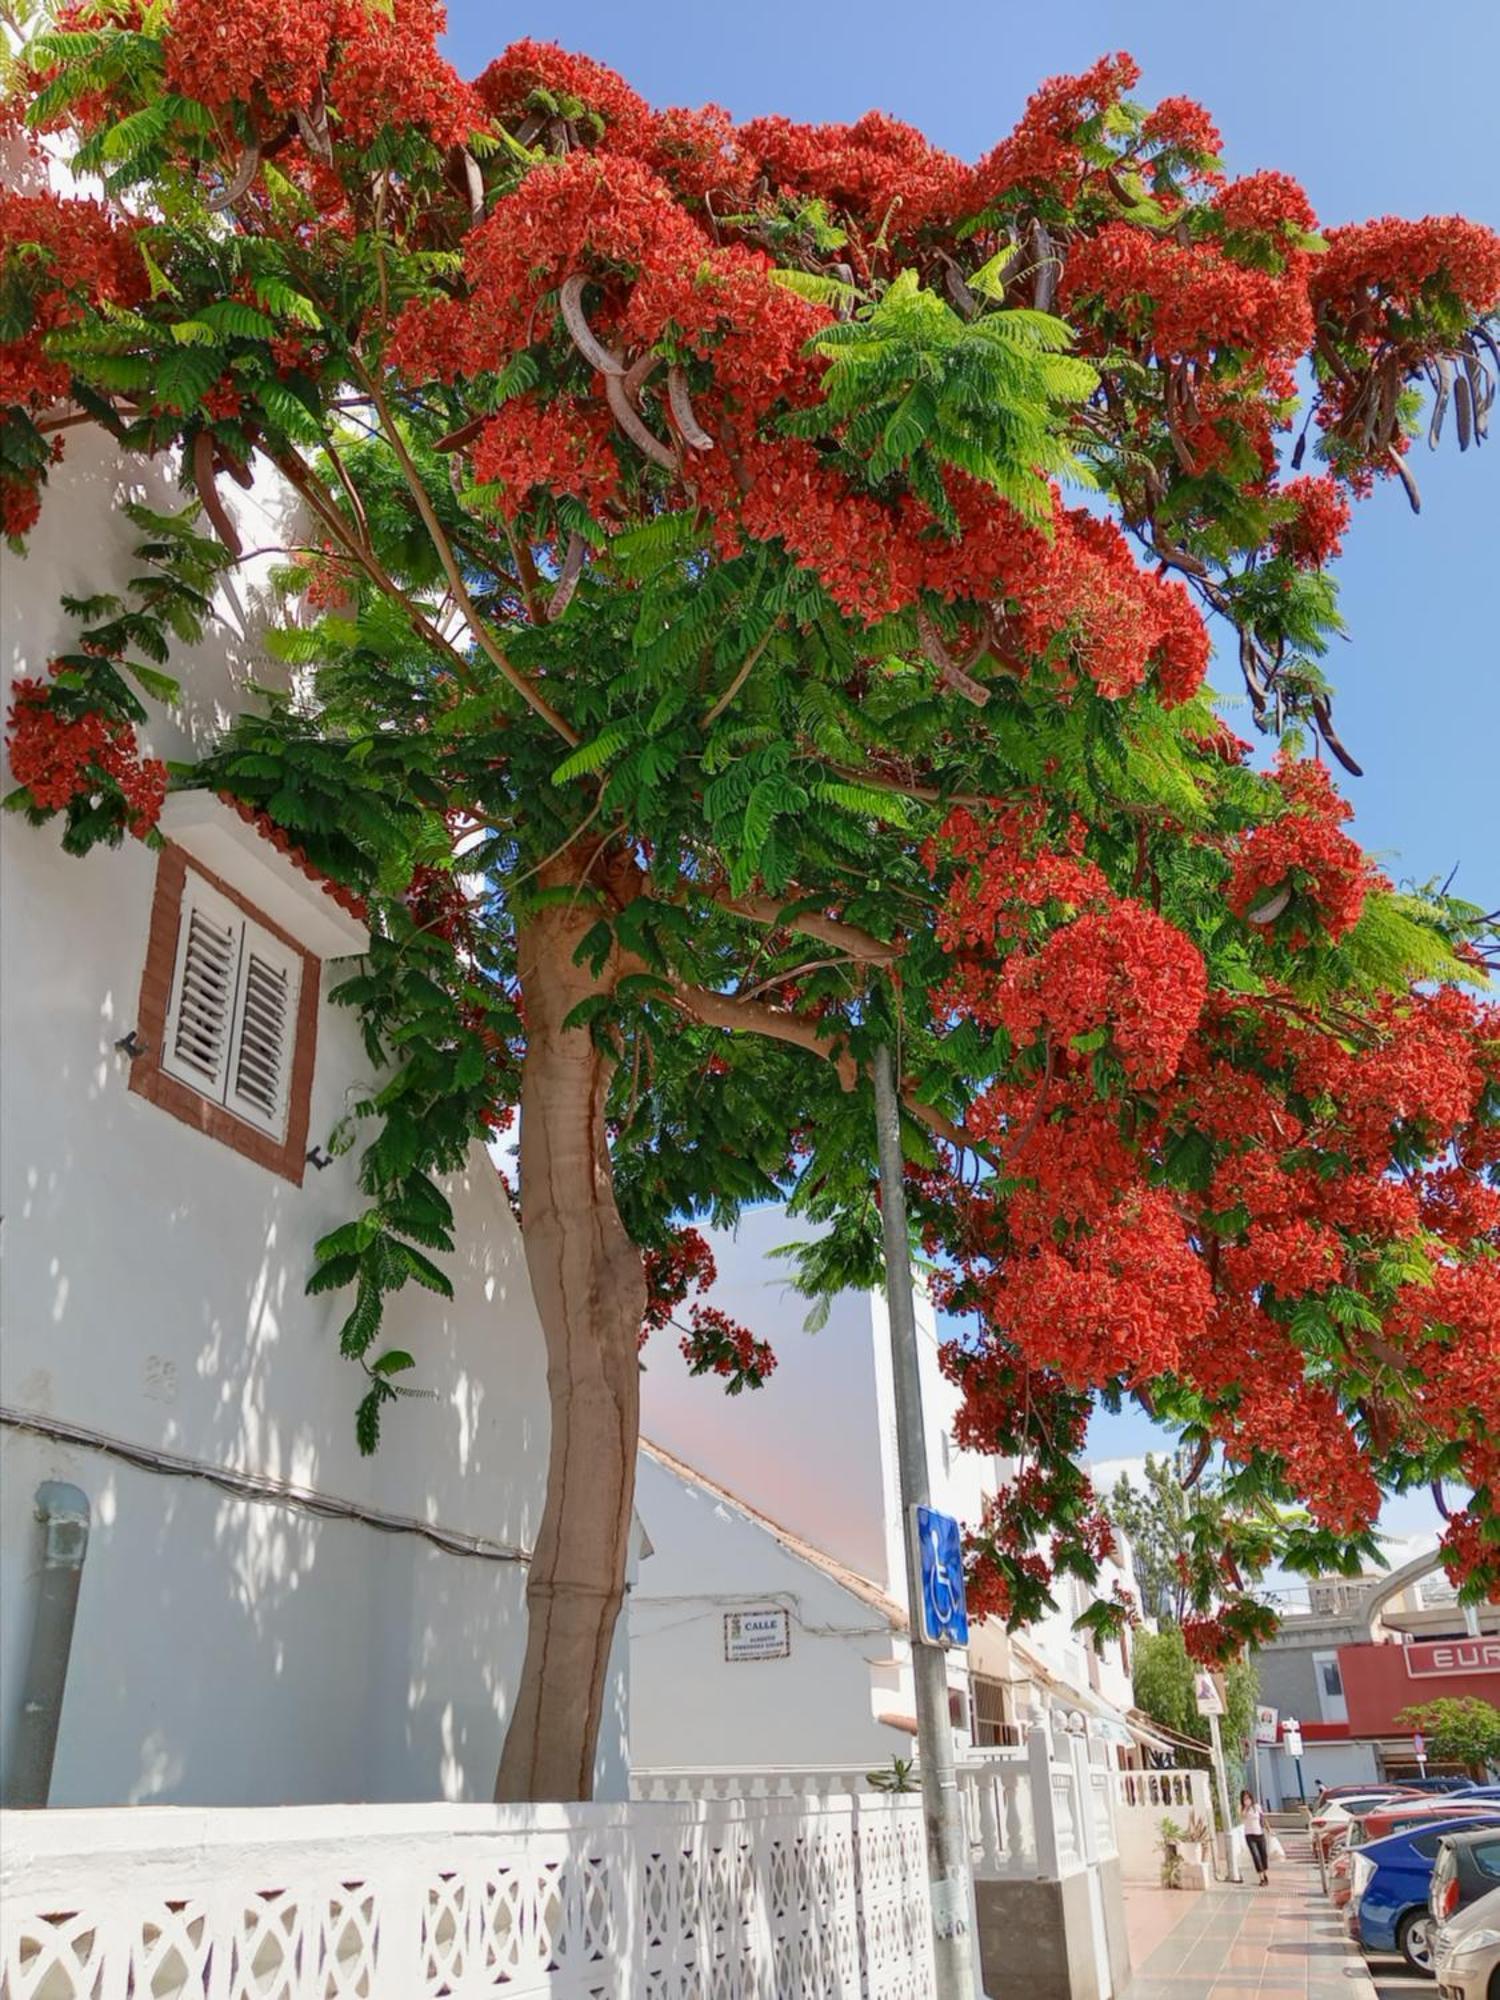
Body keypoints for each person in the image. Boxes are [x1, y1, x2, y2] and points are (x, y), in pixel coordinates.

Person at [1241, 1788, 1270, 1885]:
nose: (1247, 1800)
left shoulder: (1257, 1807)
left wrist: (1269, 1829)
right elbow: (1242, 1816)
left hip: (1259, 1834)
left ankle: (1265, 1874)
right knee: (1256, 1856)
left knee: (1263, 1855)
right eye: (1244, 1798)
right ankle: (1261, 1878)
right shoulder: (1242, 1809)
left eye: (1248, 1798)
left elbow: (1263, 1818)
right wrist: (1246, 1807)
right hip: (1249, 1836)